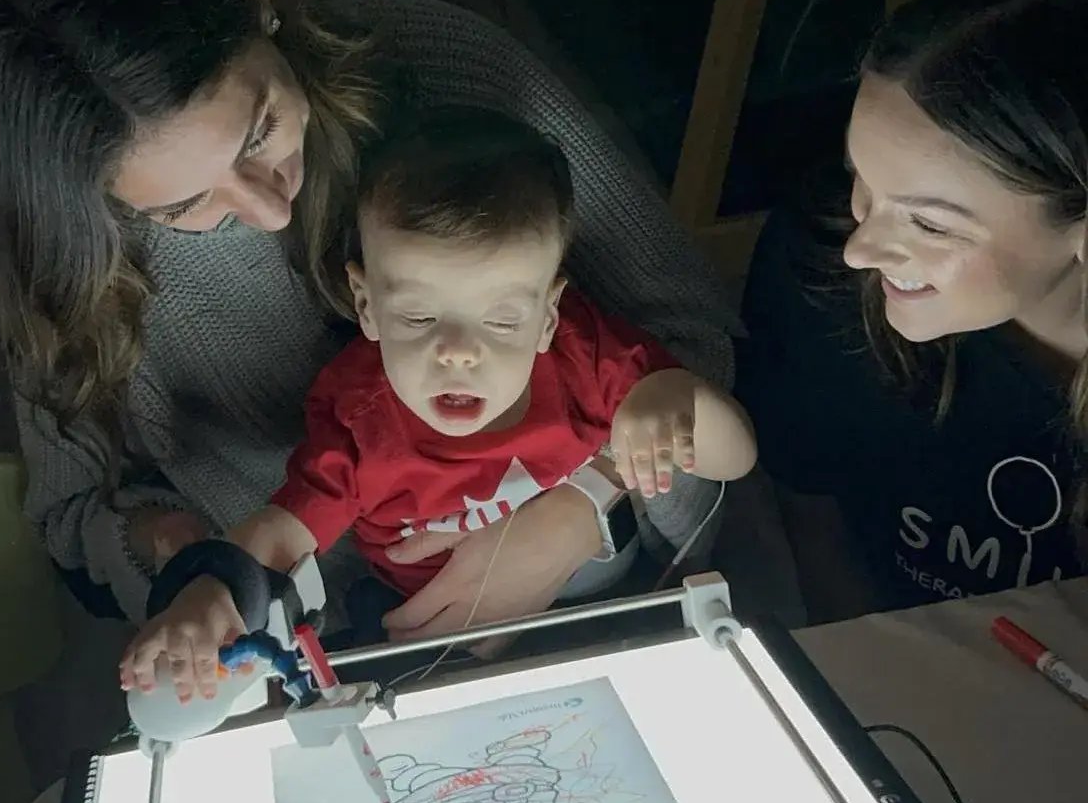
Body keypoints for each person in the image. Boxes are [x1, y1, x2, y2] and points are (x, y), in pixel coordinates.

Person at [0, 0, 739, 645]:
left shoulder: (448, 69)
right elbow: (76, 512)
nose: (266, 209)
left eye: (260, 133)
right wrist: (177, 551)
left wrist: (579, 509)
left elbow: (688, 337)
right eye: (181, 210)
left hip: (611, 586)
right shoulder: (53, 254)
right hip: (315, 643)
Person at [119, 107, 755, 700]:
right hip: (435, 642)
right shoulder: (360, 419)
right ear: (367, 306)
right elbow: (286, 530)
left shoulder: (588, 359)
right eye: (420, 316)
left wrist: (676, 396)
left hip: (616, 602)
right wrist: (208, 593)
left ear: (546, 315)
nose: (457, 353)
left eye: (502, 323)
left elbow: (736, 459)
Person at [738, 0, 1088, 620]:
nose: (860, 249)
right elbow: (811, 522)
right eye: (862, 179)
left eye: (929, 224)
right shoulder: (821, 276)